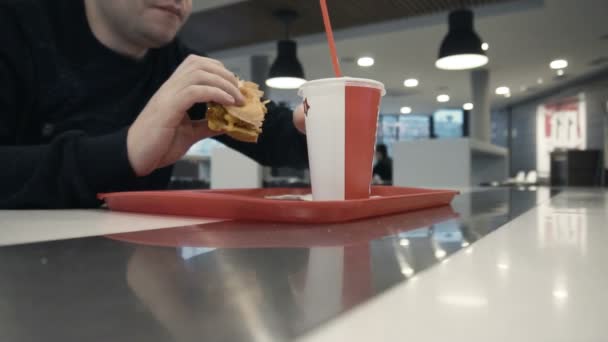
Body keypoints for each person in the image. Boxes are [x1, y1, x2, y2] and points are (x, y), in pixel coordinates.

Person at [0, 0, 308, 209]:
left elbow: (274, 133)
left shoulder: (176, 64)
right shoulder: (15, 26)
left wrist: (315, 125)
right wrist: (125, 151)